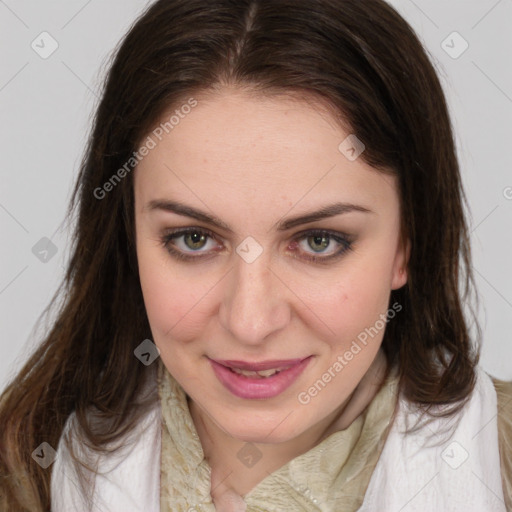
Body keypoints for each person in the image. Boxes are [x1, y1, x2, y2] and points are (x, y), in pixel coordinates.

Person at [0, 0, 510, 510]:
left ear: (407, 242)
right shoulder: (22, 469)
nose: (250, 322)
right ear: (128, 237)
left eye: (318, 241)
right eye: (193, 239)